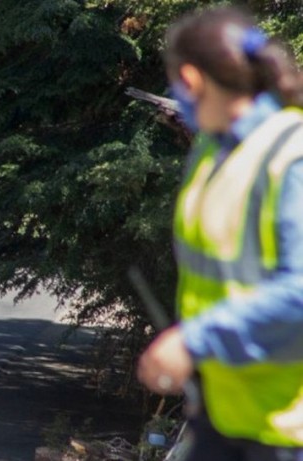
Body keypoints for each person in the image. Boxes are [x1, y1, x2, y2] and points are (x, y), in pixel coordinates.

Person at [137, 6, 303, 460]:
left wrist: (194, 340)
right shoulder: (212, 148)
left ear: (190, 79)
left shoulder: (292, 155)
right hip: (220, 414)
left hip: (285, 430)